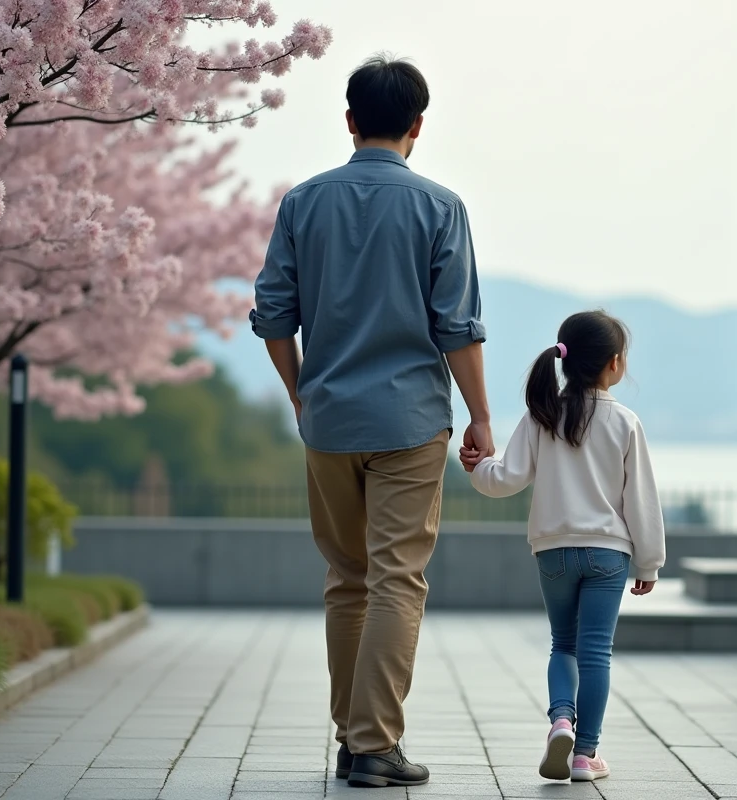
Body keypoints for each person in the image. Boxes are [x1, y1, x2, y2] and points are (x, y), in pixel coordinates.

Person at [250, 54, 493, 789]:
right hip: (412, 421)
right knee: (397, 580)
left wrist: (301, 392)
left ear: (350, 120)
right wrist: (481, 416)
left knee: (346, 578)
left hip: (328, 420)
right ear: (418, 126)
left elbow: (272, 316)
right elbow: (457, 327)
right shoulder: (440, 207)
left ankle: (353, 740)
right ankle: (375, 744)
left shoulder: (302, 203)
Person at [460, 311, 666, 783]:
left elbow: (504, 479)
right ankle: (585, 754)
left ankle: (559, 721)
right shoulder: (625, 422)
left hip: (552, 552)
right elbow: (641, 500)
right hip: (607, 554)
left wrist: (477, 466)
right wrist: (649, 563)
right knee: (596, 652)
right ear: (614, 364)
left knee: (562, 644)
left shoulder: (542, 415)